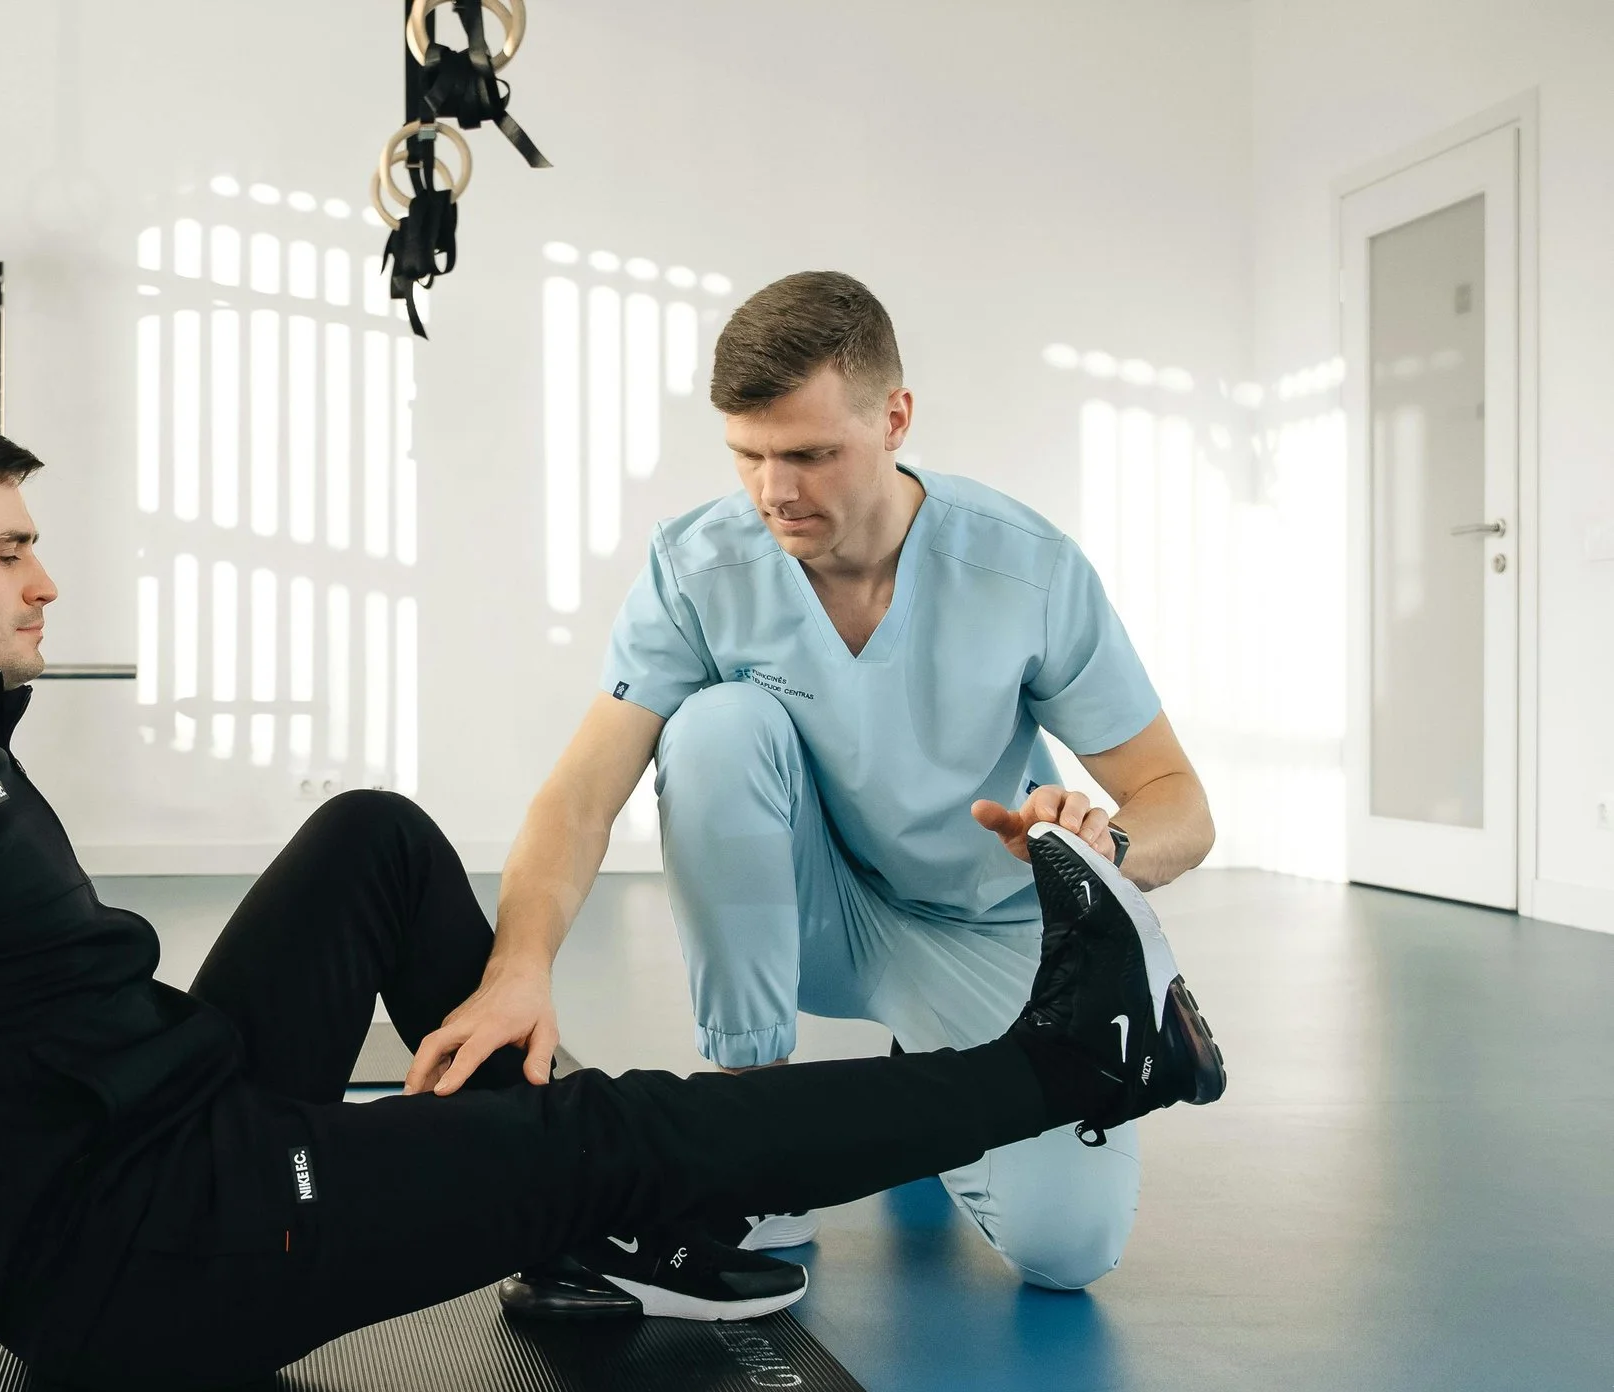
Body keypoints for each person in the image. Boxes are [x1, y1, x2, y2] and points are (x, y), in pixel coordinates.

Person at [0, 417, 1224, 1392]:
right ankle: (1087, 1063)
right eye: (15, 551)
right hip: (155, 1262)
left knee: (376, 834)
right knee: (603, 1135)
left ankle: (589, 1232)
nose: (50, 579)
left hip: (172, 1123)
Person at [410, 272, 1215, 1304]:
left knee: (1067, 1250)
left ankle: (921, 1063)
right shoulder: (697, 565)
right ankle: (749, 1116)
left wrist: (1096, 849)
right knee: (714, 727)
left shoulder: (1025, 569)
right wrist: (517, 966)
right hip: (815, 910)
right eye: (747, 454)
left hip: (981, 924)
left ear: (894, 418)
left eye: (808, 454)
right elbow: (578, 796)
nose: (773, 490)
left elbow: (1178, 802)